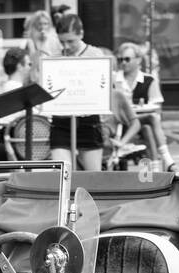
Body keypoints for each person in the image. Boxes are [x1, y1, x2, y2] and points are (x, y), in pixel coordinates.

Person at [50, 13, 110, 171]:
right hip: (61, 120)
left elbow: (106, 88)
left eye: (71, 41)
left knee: (92, 176)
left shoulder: (96, 55)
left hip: (88, 119)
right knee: (62, 173)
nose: (66, 47)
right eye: (62, 42)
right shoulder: (55, 58)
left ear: (81, 34)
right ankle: (65, 196)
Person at [116, 43, 177, 171]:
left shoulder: (149, 80)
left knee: (148, 128)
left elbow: (156, 106)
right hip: (121, 123)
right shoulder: (114, 79)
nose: (123, 63)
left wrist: (135, 108)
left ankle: (151, 174)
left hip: (140, 121)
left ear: (138, 60)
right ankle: (166, 160)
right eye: (120, 59)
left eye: (127, 59)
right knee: (152, 120)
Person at [23, 10, 63, 86]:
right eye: (40, 24)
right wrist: (43, 43)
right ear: (35, 25)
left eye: (45, 24)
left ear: (49, 25)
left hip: (52, 78)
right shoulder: (30, 41)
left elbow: (58, 59)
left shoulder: (54, 40)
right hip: (35, 80)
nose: (42, 27)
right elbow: (32, 63)